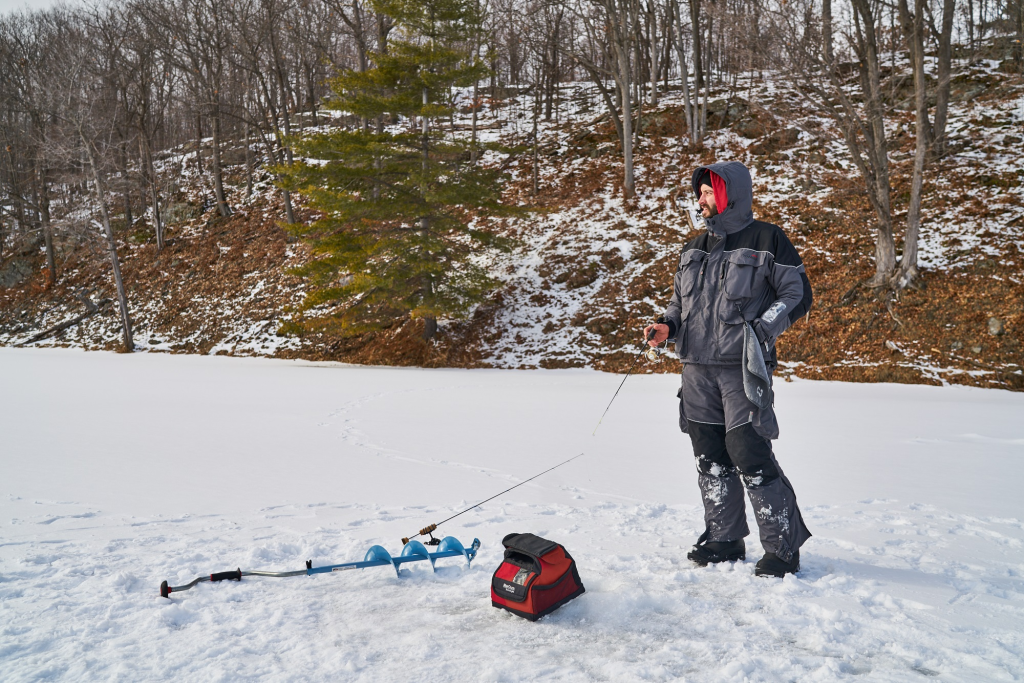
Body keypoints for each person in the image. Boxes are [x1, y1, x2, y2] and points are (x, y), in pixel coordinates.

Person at [644, 161, 813, 577]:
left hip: (742, 368)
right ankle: (724, 538)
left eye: (706, 192)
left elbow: (797, 293)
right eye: (699, 193)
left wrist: (763, 328)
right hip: (696, 370)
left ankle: (782, 547)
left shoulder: (767, 238)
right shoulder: (692, 248)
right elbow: (678, 304)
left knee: (749, 453)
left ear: (729, 194)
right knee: (710, 456)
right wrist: (667, 326)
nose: (699, 200)